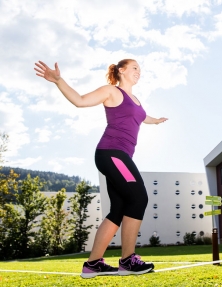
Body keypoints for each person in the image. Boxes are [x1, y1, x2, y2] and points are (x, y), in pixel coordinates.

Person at [34, 59, 168, 278]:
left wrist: (156, 120)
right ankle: (127, 260)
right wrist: (59, 80)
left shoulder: (137, 101)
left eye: (140, 70)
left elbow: (144, 118)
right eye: (135, 68)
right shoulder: (111, 92)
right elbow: (80, 101)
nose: (138, 72)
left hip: (118, 157)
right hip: (112, 154)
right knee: (139, 198)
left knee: (118, 209)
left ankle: (93, 264)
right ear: (121, 70)